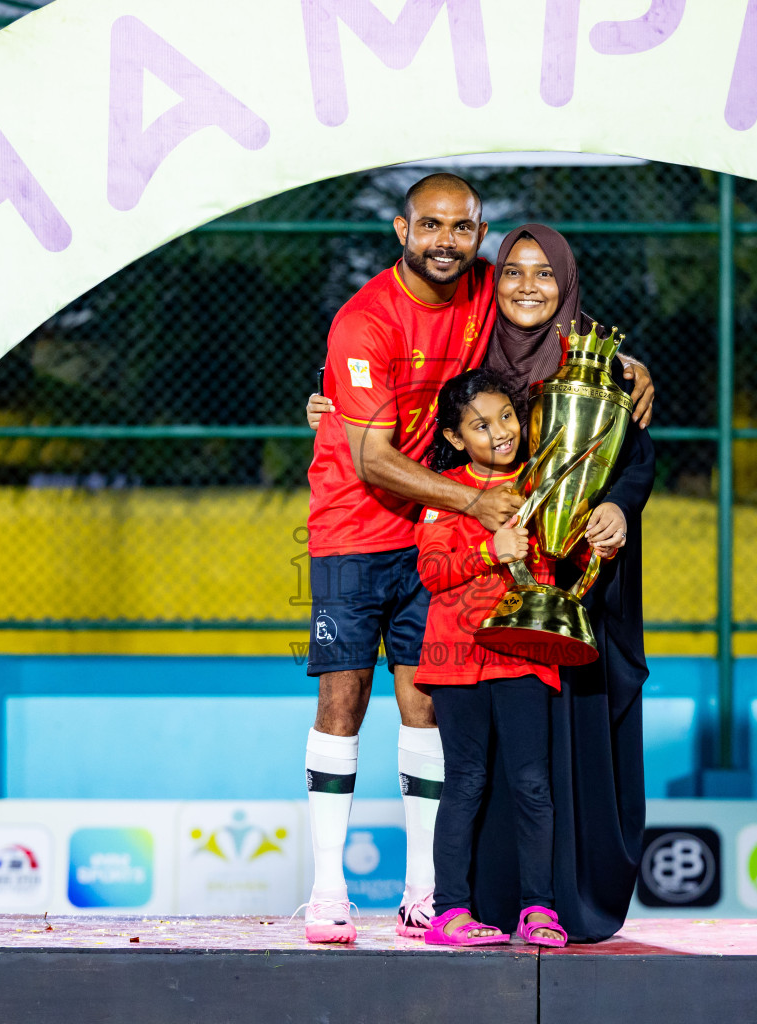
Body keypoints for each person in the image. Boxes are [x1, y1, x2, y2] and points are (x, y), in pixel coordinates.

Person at [308, 223, 656, 942]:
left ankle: (554, 902)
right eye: (514, 273)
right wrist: (328, 402)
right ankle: (450, 903)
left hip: (571, 590)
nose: (528, 287)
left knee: (541, 772)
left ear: (567, 281)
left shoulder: (596, 363)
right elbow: (399, 400)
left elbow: (634, 459)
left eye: (546, 274)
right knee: (471, 769)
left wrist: (617, 503)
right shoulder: (472, 338)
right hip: (468, 626)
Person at [301, 172, 522, 944]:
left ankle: (424, 893)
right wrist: (472, 502)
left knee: (426, 703)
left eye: (461, 229)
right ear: (402, 231)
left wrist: (628, 368)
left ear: (479, 230)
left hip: (429, 537)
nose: (446, 242)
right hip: (353, 529)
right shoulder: (364, 321)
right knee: (343, 701)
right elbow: (370, 459)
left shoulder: (484, 287)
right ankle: (327, 892)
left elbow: (553, 315)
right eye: (430, 227)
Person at [412, 368, 619, 947]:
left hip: (526, 654)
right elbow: (432, 572)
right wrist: (489, 549)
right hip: (456, 661)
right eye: (480, 425)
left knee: (532, 784)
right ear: (456, 439)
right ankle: (449, 911)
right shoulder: (443, 492)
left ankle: (539, 909)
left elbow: (562, 550)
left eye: (506, 416)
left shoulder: (546, 482)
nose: (499, 432)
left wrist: (594, 537)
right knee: (467, 782)